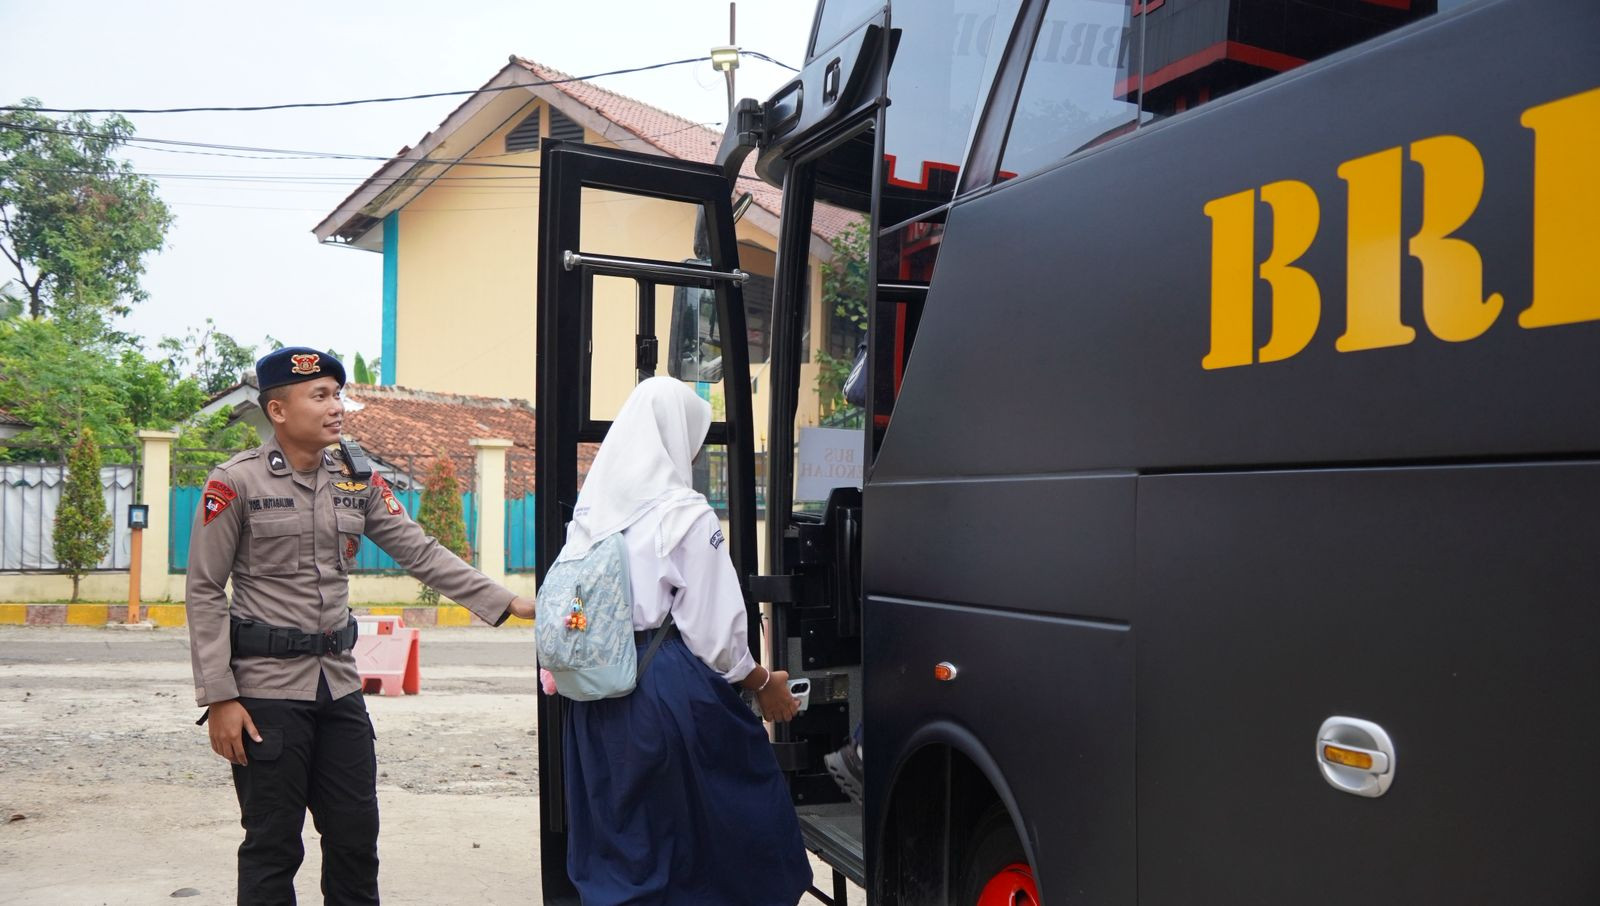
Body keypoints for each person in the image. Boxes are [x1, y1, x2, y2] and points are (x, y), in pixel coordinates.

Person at [184, 346, 536, 906]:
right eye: (320, 396)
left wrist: (507, 601)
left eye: (338, 395)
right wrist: (220, 697)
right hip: (266, 695)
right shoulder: (236, 482)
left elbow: (420, 550)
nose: (336, 407)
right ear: (278, 410)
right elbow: (204, 590)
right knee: (273, 847)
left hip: (339, 688)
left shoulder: (356, 480)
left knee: (355, 840)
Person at [556, 377, 811, 905]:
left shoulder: (589, 515)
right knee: (732, 819)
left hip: (594, 697)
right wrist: (762, 681)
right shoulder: (685, 513)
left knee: (624, 850)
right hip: (662, 689)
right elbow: (715, 637)